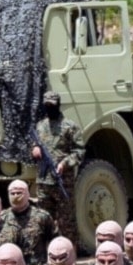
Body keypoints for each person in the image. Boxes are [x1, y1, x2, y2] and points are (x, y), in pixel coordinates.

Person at [31, 90, 84, 249]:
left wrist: (64, 163)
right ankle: (46, 253)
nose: (50, 108)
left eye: (52, 105)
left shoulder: (70, 126)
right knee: (43, 220)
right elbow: (34, 144)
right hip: (43, 181)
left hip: (63, 181)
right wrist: (34, 149)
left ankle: (70, 253)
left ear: (58, 105)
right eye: (47, 105)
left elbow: (79, 152)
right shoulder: (40, 126)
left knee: (66, 221)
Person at [0, 179, 57, 265]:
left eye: (19, 193)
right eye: (12, 193)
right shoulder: (1, 219)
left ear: (27, 194)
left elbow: (56, 244)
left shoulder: (42, 217)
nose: (16, 196)